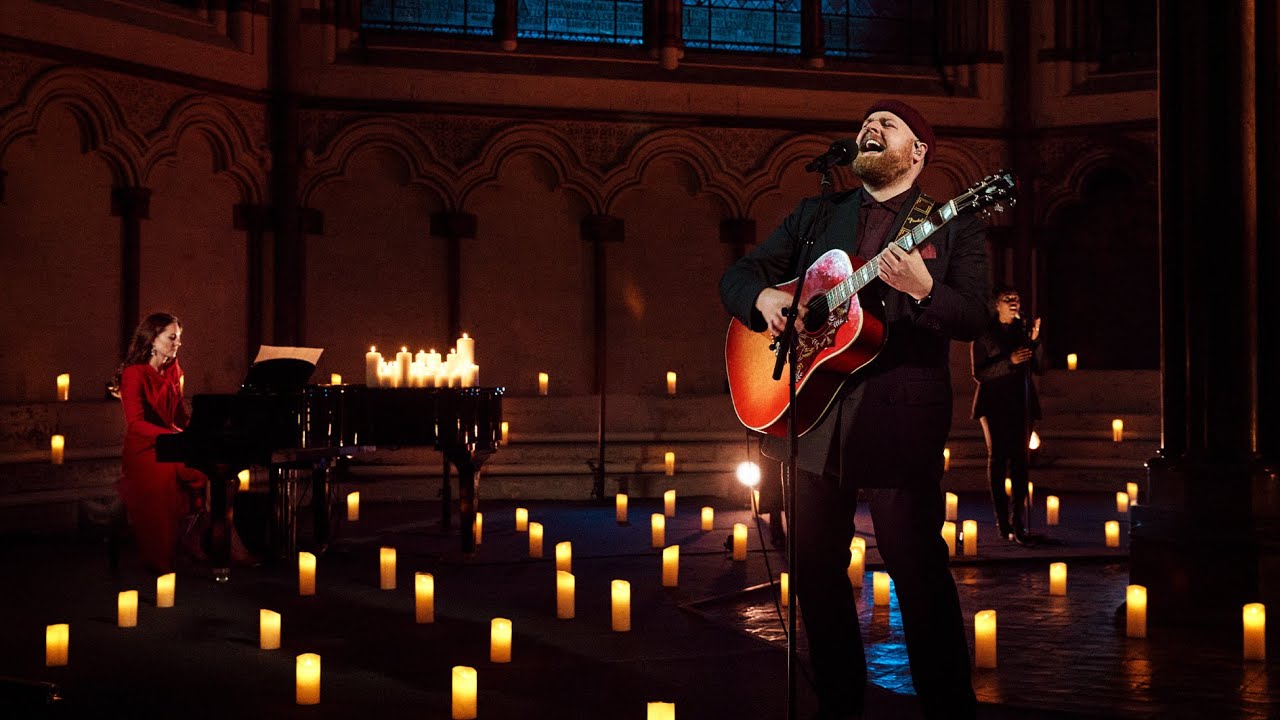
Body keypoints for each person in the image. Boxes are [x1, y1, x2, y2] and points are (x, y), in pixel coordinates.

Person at [720, 99, 988, 720]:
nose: (871, 127)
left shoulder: (950, 224)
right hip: (811, 417)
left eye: (888, 124)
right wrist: (763, 298)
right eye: (867, 122)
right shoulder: (818, 214)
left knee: (918, 574)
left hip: (900, 418)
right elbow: (739, 274)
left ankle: (950, 709)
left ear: (918, 152)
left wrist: (924, 290)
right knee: (815, 575)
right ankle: (838, 705)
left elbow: (975, 315)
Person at [111, 312, 250, 574]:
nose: (178, 343)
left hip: (174, 444)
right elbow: (136, 424)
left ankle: (218, 537)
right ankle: (171, 553)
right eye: (172, 337)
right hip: (145, 450)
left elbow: (180, 414)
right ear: (152, 339)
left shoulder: (174, 369)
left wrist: (198, 433)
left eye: (179, 338)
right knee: (164, 482)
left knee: (221, 472)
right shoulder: (133, 373)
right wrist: (176, 435)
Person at [971, 284, 1044, 543]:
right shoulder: (985, 333)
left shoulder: (1022, 331)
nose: (1014, 302)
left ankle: (1019, 521)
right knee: (998, 459)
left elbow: (1038, 368)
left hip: (1021, 404)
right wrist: (1008, 362)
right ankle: (1002, 521)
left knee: (1021, 462)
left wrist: (1034, 341)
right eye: (1007, 299)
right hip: (993, 404)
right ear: (997, 304)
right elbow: (979, 373)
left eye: (1016, 298)